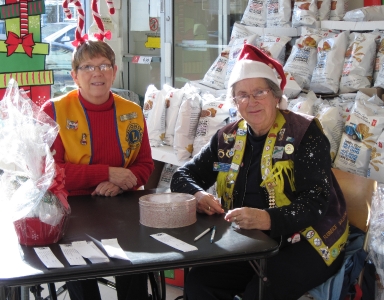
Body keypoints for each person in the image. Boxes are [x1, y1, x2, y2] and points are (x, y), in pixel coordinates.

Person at [170, 44, 349, 300]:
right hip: (249, 238)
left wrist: (269, 220)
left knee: (262, 291)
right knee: (200, 283)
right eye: (241, 94)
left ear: (276, 96)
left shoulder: (304, 134)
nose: (250, 102)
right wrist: (198, 196)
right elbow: (182, 176)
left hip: (307, 239)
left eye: (259, 92)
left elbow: (316, 201)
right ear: (234, 101)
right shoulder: (227, 139)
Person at [41, 40, 154, 300]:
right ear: (75, 76)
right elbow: (47, 172)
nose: (97, 73)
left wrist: (123, 181)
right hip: (71, 208)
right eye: (88, 67)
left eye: (104, 65)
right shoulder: (54, 111)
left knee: (135, 267)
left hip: (121, 206)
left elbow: (145, 164)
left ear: (115, 71)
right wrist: (106, 173)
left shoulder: (132, 112)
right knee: (81, 274)